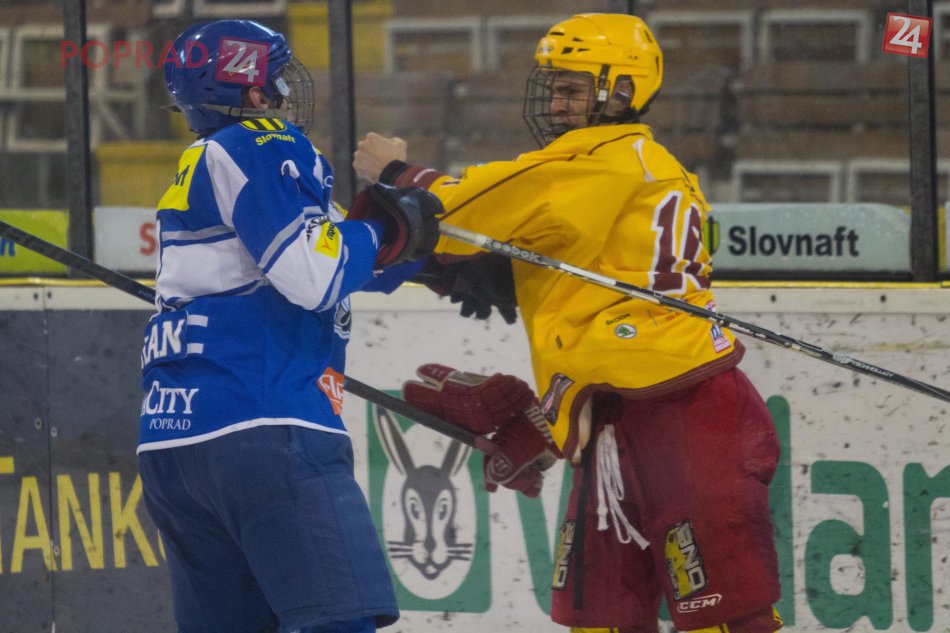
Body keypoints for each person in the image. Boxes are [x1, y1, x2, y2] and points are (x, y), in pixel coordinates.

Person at [353, 13, 783, 633]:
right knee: (599, 619)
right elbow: (569, 269)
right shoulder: (631, 169)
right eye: (555, 88)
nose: (556, 103)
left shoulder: (604, 159)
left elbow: (462, 208)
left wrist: (397, 173)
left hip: (686, 414)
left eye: (574, 89)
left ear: (623, 91)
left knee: (727, 620)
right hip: (616, 411)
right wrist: (552, 416)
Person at [140, 19, 441, 633]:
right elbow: (315, 274)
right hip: (266, 428)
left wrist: (430, 258)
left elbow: (333, 258)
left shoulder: (205, 162)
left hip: (173, 448)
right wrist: (388, 227)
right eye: (274, 78)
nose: (282, 92)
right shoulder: (262, 144)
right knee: (338, 624)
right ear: (251, 90)